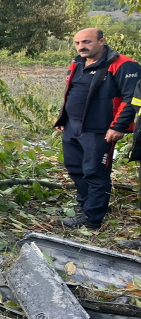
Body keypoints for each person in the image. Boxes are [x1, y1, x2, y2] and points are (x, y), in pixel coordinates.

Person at [54, 28, 141, 229]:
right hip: (73, 126)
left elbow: (132, 99)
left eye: (86, 42)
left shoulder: (124, 65)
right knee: (75, 168)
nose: (81, 47)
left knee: (95, 172)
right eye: (77, 43)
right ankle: (84, 207)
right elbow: (72, 92)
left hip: (101, 130)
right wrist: (63, 118)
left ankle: (92, 219)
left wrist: (118, 126)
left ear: (102, 41)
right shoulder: (77, 62)